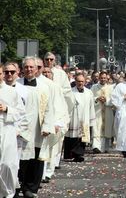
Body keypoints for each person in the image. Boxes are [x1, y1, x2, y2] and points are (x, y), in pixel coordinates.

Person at [17, 56, 55, 198]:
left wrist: (47, 126)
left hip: (38, 129)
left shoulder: (44, 87)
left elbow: (49, 109)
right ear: (22, 69)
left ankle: (31, 188)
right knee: (21, 158)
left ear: (36, 69)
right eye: (26, 67)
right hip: (21, 127)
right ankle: (18, 185)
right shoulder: (17, 85)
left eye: (31, 67)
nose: (29, 69)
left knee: (35, 159)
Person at [0, 63, 26, 198]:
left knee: (8, 164)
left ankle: (9, 192)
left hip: (7, 130)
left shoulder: (11, 92)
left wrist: (7, 109)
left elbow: (21, 112)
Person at [64, 73, 96, 162]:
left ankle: (79, 154)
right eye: (78, 81)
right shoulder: (70, 92)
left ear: (85, 82)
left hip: (85, 118)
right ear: (75, 81)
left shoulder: (89, 92)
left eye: (82, 81)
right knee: (73, 138)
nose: (80, 83)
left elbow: (91, 106)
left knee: (82, 138)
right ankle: (72, 154)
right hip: (73, 117)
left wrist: (91, 120)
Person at [90, 71, 115, 154]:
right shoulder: (94, 87)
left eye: (104, 78)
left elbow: (114, 100)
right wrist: (97, 99)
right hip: (97, 112)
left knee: (106, 130)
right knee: (96, 129)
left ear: (107, 78)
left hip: (107, 111)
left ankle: (105, 148)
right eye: (101, 78)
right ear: (99, 78)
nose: (103, 79)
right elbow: (90, 98)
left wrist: (106, 100)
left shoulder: (111, 88)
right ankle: (96, 147)